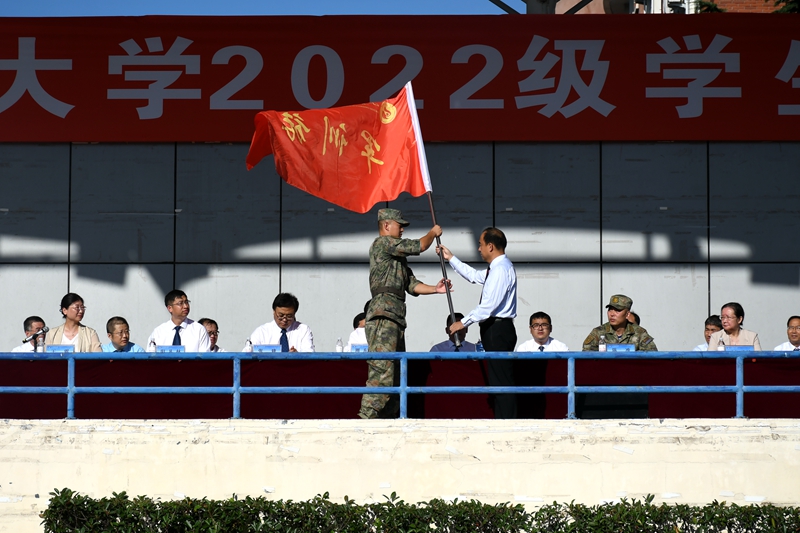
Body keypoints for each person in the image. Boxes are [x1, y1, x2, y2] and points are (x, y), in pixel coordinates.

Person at [359, 208, 450, 420]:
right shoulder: (383, 243)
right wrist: (433, 233)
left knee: (396, 372)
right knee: (383, 370)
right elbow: (419, 246)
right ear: (386, 225)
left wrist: (435, 289)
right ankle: (367, 417)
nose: (402, 230)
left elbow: (411, 284)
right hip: (383, 315)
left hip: (395, 317)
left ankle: (388, 418)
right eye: (399, 225)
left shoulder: (396, 258)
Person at [437, 227, 518, 419]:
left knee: (501, 382)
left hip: (498, 329)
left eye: (480, 245)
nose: (479, 249)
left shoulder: (500, 269)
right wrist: (451, 258)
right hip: (495, 329)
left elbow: (488, 306)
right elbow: (474, 276)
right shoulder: (496, 269)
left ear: (490, 246)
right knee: (498, 380)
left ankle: (507, 422)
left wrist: (463, 323)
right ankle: (503, 419)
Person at [582, 294, 657, 351]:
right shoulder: (598, 333)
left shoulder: (639, 333)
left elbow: (652, 356)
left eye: (617, 310)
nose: (612, 314)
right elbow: (586, 356)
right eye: (610, 309)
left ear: (627, 314)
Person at [246, 292, 314, 352]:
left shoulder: (303, 330)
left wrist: (297, 356)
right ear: (274, 312)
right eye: (281, 315)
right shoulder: (261, 332)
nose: (284, 320)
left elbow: (309, 354)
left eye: (289, 316)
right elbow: (246, 354)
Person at [146, 290, 210, 352]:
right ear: (170, 308)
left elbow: (205, 356)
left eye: (186, 302)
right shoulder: (158, 332)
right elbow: (150, 356)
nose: (185, 306)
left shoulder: (199, 330)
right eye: (180, 303)